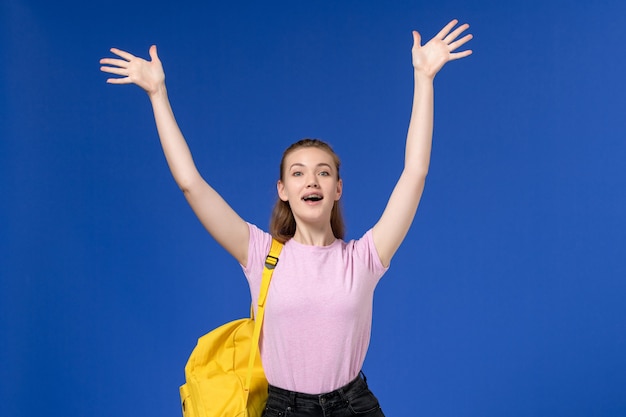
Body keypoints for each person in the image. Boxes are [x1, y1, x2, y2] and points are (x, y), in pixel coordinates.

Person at [100, 19, 472, 417]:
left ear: (337, 189)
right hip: (284, 410)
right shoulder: (260, 253)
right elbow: (191, 183)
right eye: (298, 172)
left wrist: (424, 79)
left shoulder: (364, 258)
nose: (311, 180)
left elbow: (414, 174)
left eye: (323, 172)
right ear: (283, 190)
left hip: (355, 406)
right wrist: (158, 94)